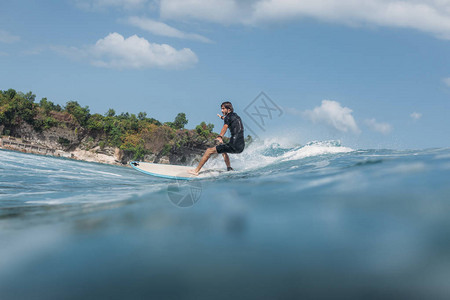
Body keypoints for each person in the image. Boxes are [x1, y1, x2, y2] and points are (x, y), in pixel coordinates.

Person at [188, 101, 245, 176]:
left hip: (233, 144)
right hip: (241, 146)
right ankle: (229, 168)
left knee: (209, 151)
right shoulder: (235, 116)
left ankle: (196, 171)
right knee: (223, 148)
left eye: (223, 109)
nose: (221, 110)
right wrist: (221, 117)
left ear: (229, 109)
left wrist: (220, 136)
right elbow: (227, 119)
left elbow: (225, 126)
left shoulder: (227, 118)